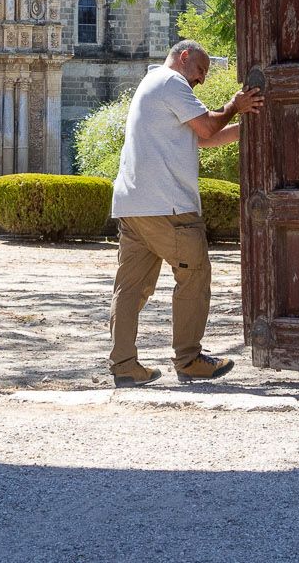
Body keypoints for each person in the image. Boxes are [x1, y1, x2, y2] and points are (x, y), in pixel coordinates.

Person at [107, 40, 263, 384]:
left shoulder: (151, 83)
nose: (203, 80)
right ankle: (189, 359)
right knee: (194, 275)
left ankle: (123, 365)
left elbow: (203, 138)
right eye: (201, 71)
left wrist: (249, 127)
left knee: (130, 288)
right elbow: (208, 127)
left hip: (135, 206)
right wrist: (235, 105)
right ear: (185, 57)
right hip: (169, 206)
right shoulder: (171, 81)